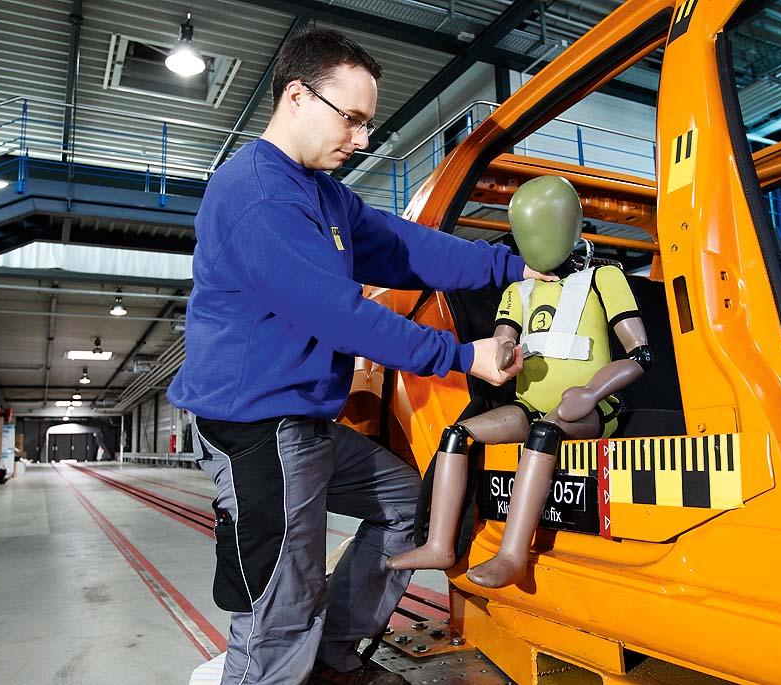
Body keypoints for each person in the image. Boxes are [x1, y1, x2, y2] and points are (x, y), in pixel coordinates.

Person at [166, 29, 552, 685]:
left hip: (307, 424)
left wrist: (514, 267)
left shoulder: (323, 194)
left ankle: (330, 659)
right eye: (352, 118)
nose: (364, 139)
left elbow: (407, 248)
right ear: (297, 96)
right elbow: (340, 315)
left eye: (367, 122)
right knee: (279, 609)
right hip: (259, 429)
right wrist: (463, 355)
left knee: (411, 506)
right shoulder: (257, 194)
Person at [387, 176, 652, 588]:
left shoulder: (604, 279)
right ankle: (439, 543)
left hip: (591, 408)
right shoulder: (518, 292)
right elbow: (503, 339)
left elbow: (640, 355)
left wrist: (592, 393)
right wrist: (504, 350)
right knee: (457, 434)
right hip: (530, 406)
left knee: (545, 432)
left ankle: (512, 555)